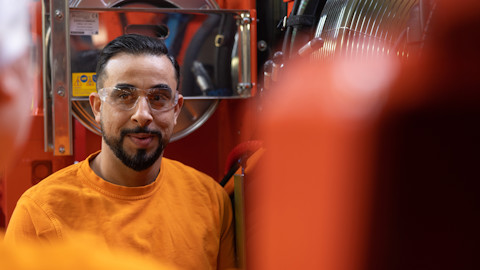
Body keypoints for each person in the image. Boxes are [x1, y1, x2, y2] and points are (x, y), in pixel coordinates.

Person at [5, 34, 236, 270]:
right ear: (97, 107)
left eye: (158, 98)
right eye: (125, 96)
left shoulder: (210, 200)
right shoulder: (40, 211)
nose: (143, 114)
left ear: (176, 109)